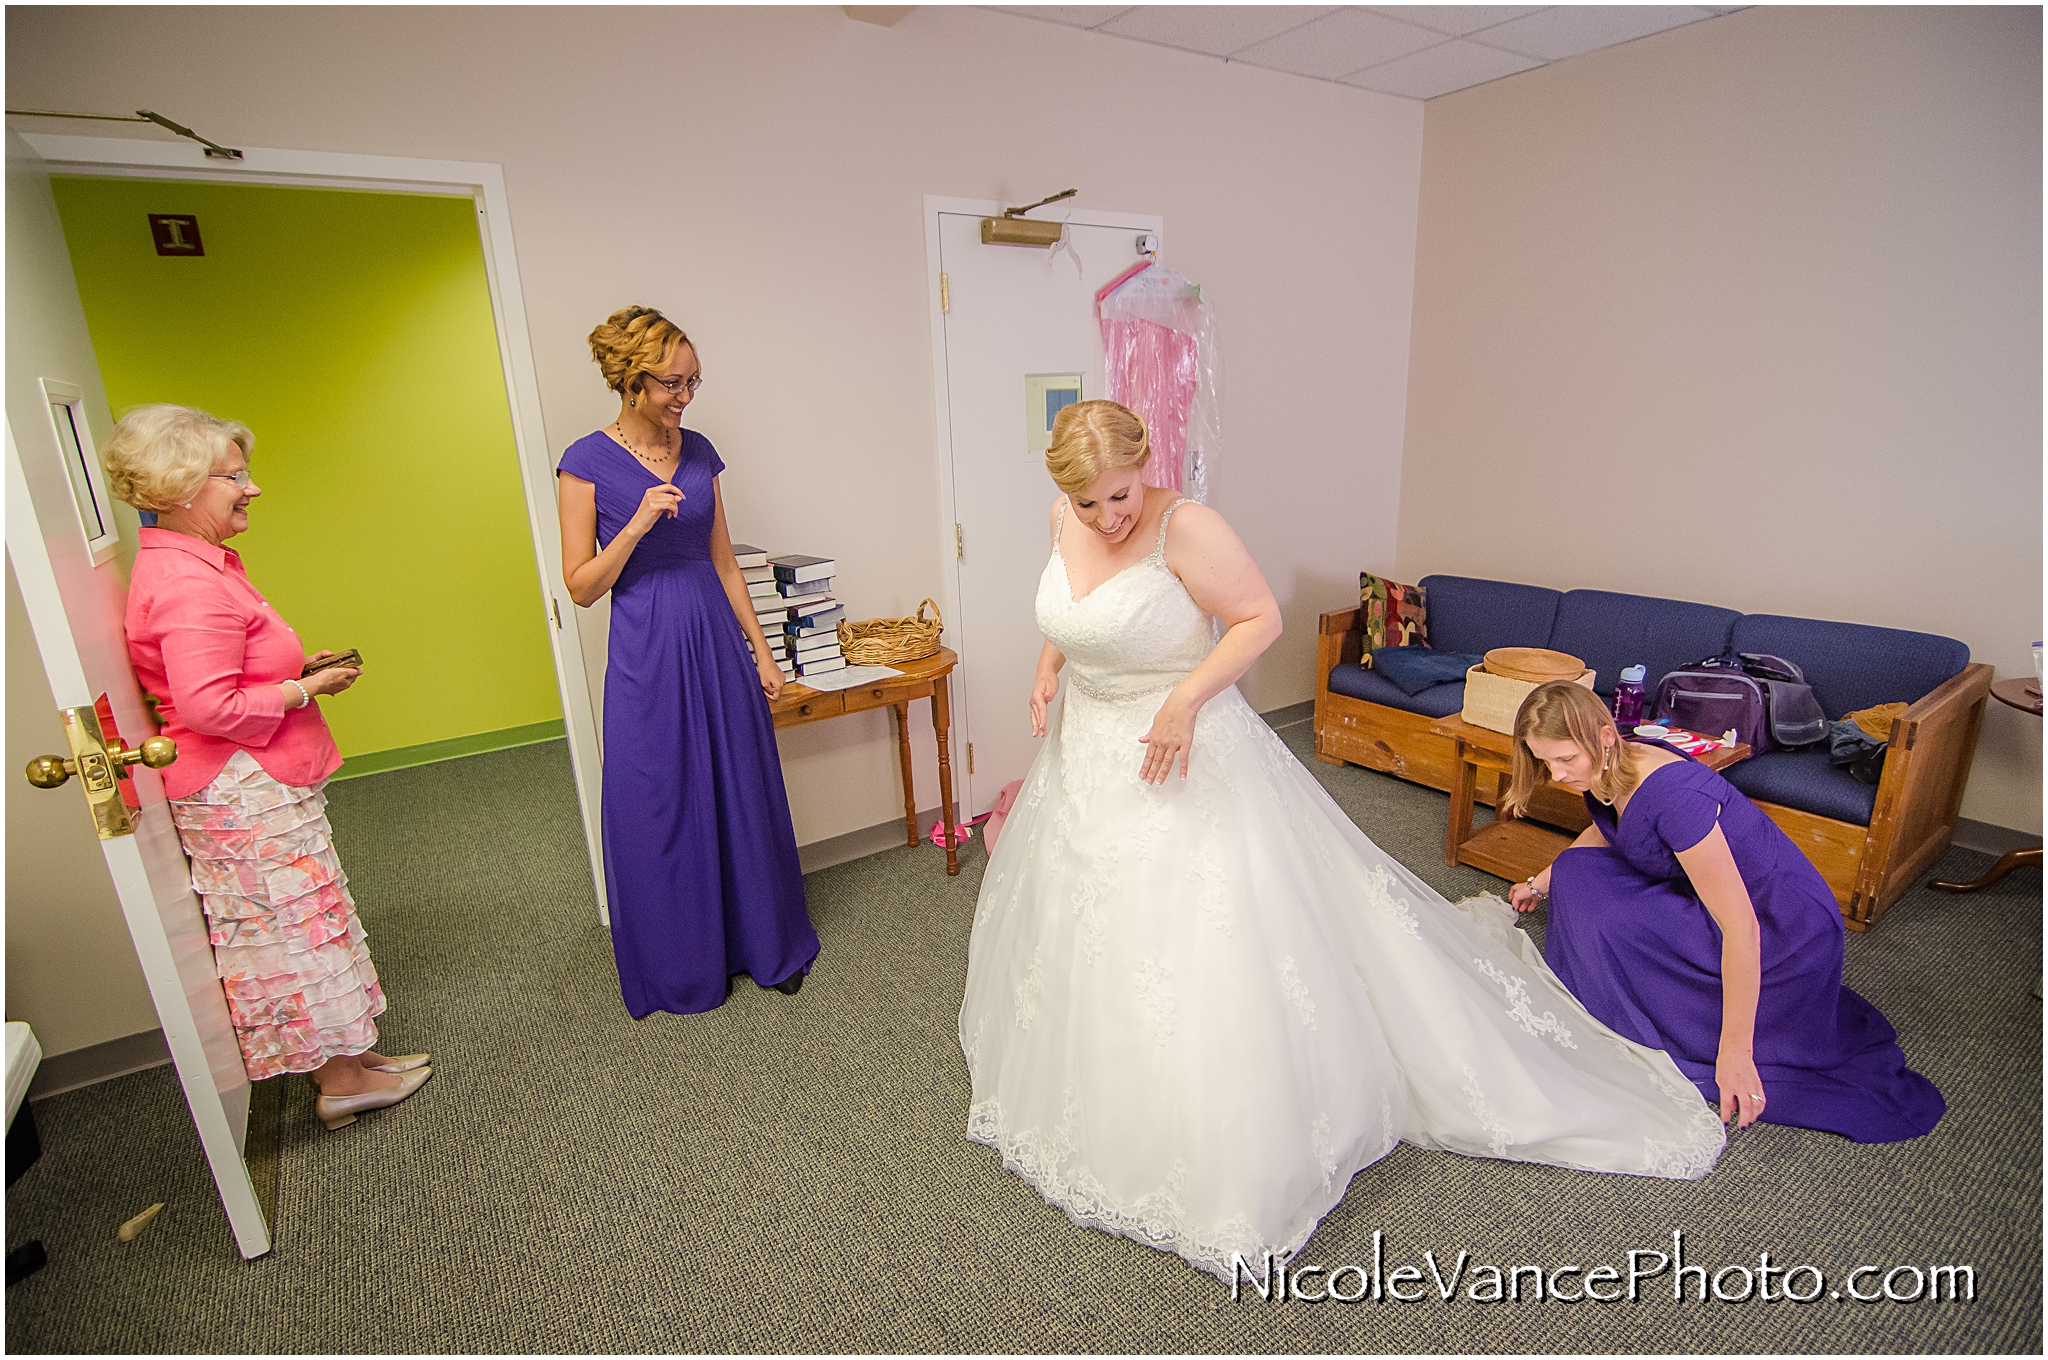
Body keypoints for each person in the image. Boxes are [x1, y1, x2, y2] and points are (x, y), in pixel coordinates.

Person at [958, 400, 1726, 1283]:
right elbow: (1072, 610)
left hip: (1182, 743)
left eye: (1120, 497)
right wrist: (1052, 666)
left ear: (1147, 467)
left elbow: (1256, 620)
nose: (1106, 519)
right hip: (1085, 751)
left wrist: (1180, 702)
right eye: (1089, 506)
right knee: (1082, 923)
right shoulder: (1067, 515)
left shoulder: (1188, 529)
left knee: (1205, 935)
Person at [105, 404, 430, 1133]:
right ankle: (341, 1080)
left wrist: (295, 669)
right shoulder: (188, 582)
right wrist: (306, 688)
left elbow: (225, 670)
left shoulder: (193, 562)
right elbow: (210, 705)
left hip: (255, 786)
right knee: (290, 935)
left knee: (311, 922)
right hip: (240, 792)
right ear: (182, 487)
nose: (251, 488)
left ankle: (350, 1058)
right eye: (234, 476)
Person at [1506, 681, 1944, 1143]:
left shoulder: (1672, 798)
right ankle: (1625, 984)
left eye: (1565, 759)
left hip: (1782, 927)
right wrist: (1541, 880)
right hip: (1717, 899)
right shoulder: (1611, 767)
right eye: (1544, 761)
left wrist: (1734, 1052)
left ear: (1605, 736)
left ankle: (1674, 1014)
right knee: (1574, 872)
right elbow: (1608, 826)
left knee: (1609, 917)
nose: (1555, 775)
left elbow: (1742, 928)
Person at [557, 306, 818, 1016]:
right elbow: (580, 588)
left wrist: (761, 653)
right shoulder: (584, 462)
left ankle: (764, 945)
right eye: (672, 383)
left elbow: (725, 562)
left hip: (711, 631)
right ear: (630, 380)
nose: (685, 395)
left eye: (693, 381)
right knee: (662, 799)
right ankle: (683, 962)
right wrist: (637, 523)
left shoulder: (698, 449)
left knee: (739, 786)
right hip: (647, 643)